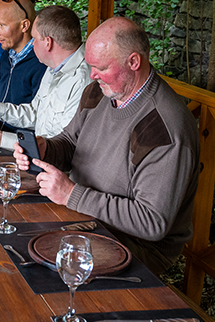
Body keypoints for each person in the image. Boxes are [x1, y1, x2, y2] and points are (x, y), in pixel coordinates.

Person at [13, 17, 200, 274]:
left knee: (29, 266)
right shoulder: (98, 92)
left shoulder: (163, 128)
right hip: (84, 217)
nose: (92, 75)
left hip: (135, 245)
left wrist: (71, 194)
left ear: (134, 62)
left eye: (101, 67)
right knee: (11, 235)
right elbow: (70, 143)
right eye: (90, 65)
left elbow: (151, 222)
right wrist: (46, 148)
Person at [0, 5, 91, 149]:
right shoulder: (53, 68)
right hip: (39, 158)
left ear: (48, 43)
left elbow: (62, 145)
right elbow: (34, 114)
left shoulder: (83, 80)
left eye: (34, 38)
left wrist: (3, 139)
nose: (32, 44)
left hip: (55, 166)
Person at [0, 0, 46, 108]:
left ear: (24, 26)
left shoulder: (41, 63)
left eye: (1, 25)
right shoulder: (6, 56)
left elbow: (36, 116)